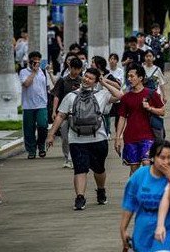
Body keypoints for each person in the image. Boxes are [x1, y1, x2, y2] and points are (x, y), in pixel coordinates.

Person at [47, 68, 122, 210]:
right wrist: (51, 134)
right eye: (86, 76)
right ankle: (80, 197)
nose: (86, 79)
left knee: (99, 169)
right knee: (80, 169)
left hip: (98, 139)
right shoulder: (71, 96)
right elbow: (61, 115)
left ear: (96, 81)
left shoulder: (102, 94)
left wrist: (104, 83)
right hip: (77, 140)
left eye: (90, 78)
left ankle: (101, 190)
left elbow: (120, 96)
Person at [121, 140, 170, 252]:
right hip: (143, 231)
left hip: (168, 232)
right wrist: (123, 229)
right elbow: (129, 203)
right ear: (152, 158)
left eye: (169, 157)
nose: (166, 162)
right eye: (162, 158)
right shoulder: (140, 175)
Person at [116, 64, 166, 176]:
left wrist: (150, 108)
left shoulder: (151, 94)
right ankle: (135, 187)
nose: (129, 79)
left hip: (148, 136)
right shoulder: (126, 97)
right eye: (128, 76)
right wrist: (117, 137)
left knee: (147, 163)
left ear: (140, 78)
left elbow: (162, 111)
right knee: (134, 169)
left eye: (132, 76)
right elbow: (122, 118)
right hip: (130, 137)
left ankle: (147, 186)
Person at [51, 57, 83, 168]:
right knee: (65, 137)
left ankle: (73, 158)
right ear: (70, 68)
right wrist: (54, 111)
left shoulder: (82, 81)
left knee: (76, 137)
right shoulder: (63, 81)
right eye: (74, 69)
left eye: (78, 69)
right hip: (64, 114)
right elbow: (56, 96)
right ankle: (67, 158)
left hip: (78, 115)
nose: (76, 71)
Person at [19, 51, 49, 159]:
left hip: (42, 104)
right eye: (34, 60)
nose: (36, 63)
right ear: (29, 61)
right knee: (29, 129)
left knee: (43, 126)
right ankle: (31, 150)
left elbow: (47, 86)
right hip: (28, 105)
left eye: (38, 60)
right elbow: (26, 84)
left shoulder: (43, 71)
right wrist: (33, 72)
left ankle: (41, 146)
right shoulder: (23, 72)